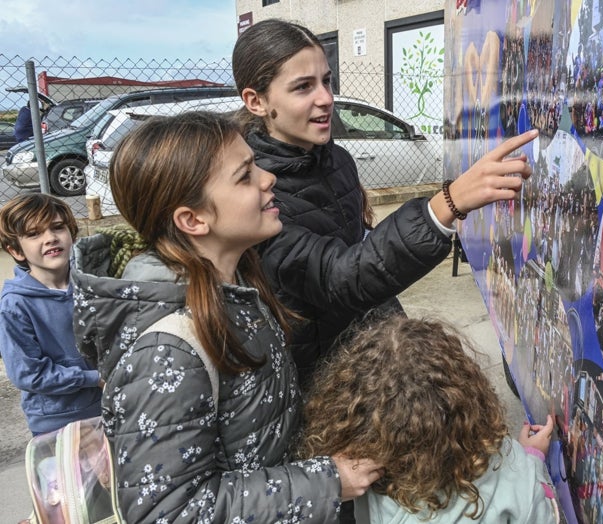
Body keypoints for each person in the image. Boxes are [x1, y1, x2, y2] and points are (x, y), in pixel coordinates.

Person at [70, 111, 383, 522]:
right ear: (193, 219)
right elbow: (168, 512)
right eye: (245, 175)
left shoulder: (237, 287)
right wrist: (326, 481)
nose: (268, 178)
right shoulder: (166, 349)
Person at [232, 18, 538, 389]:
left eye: (326, 80)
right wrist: (447, 203)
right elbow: (340, 277)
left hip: (366, 353)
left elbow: (363, 247)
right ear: (257, 101)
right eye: (302, 87)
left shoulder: (336, 158)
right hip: (318, 379)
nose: (326, 98)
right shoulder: (255, 193)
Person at [297, 315, 560, 523]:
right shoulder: (515, 474)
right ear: (471, 392)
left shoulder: (362, 475)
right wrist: (531, 460)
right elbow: (540, 512)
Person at [0, 193, 102, 437]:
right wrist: (94, 378)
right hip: (59, 424)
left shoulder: (94, 283)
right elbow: (29, 374)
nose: (50, 238)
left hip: (109, 407)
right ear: (16, 250)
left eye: (57, 227)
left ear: (72, 234)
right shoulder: (14, 305)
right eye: (34, 234)